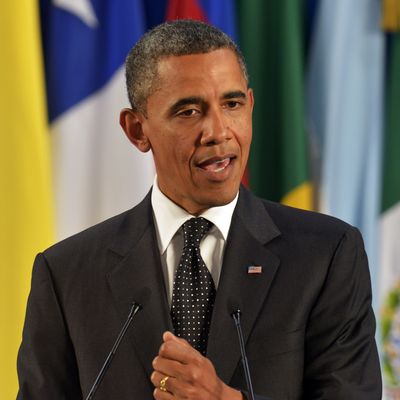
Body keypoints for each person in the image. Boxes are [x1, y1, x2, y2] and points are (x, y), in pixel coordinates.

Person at [17, 20, 381, 399]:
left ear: (251, 107)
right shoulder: (67, 274)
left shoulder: (326, 254)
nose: (218, 131)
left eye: (232, 104)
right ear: (137, 130)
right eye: (189, 112)